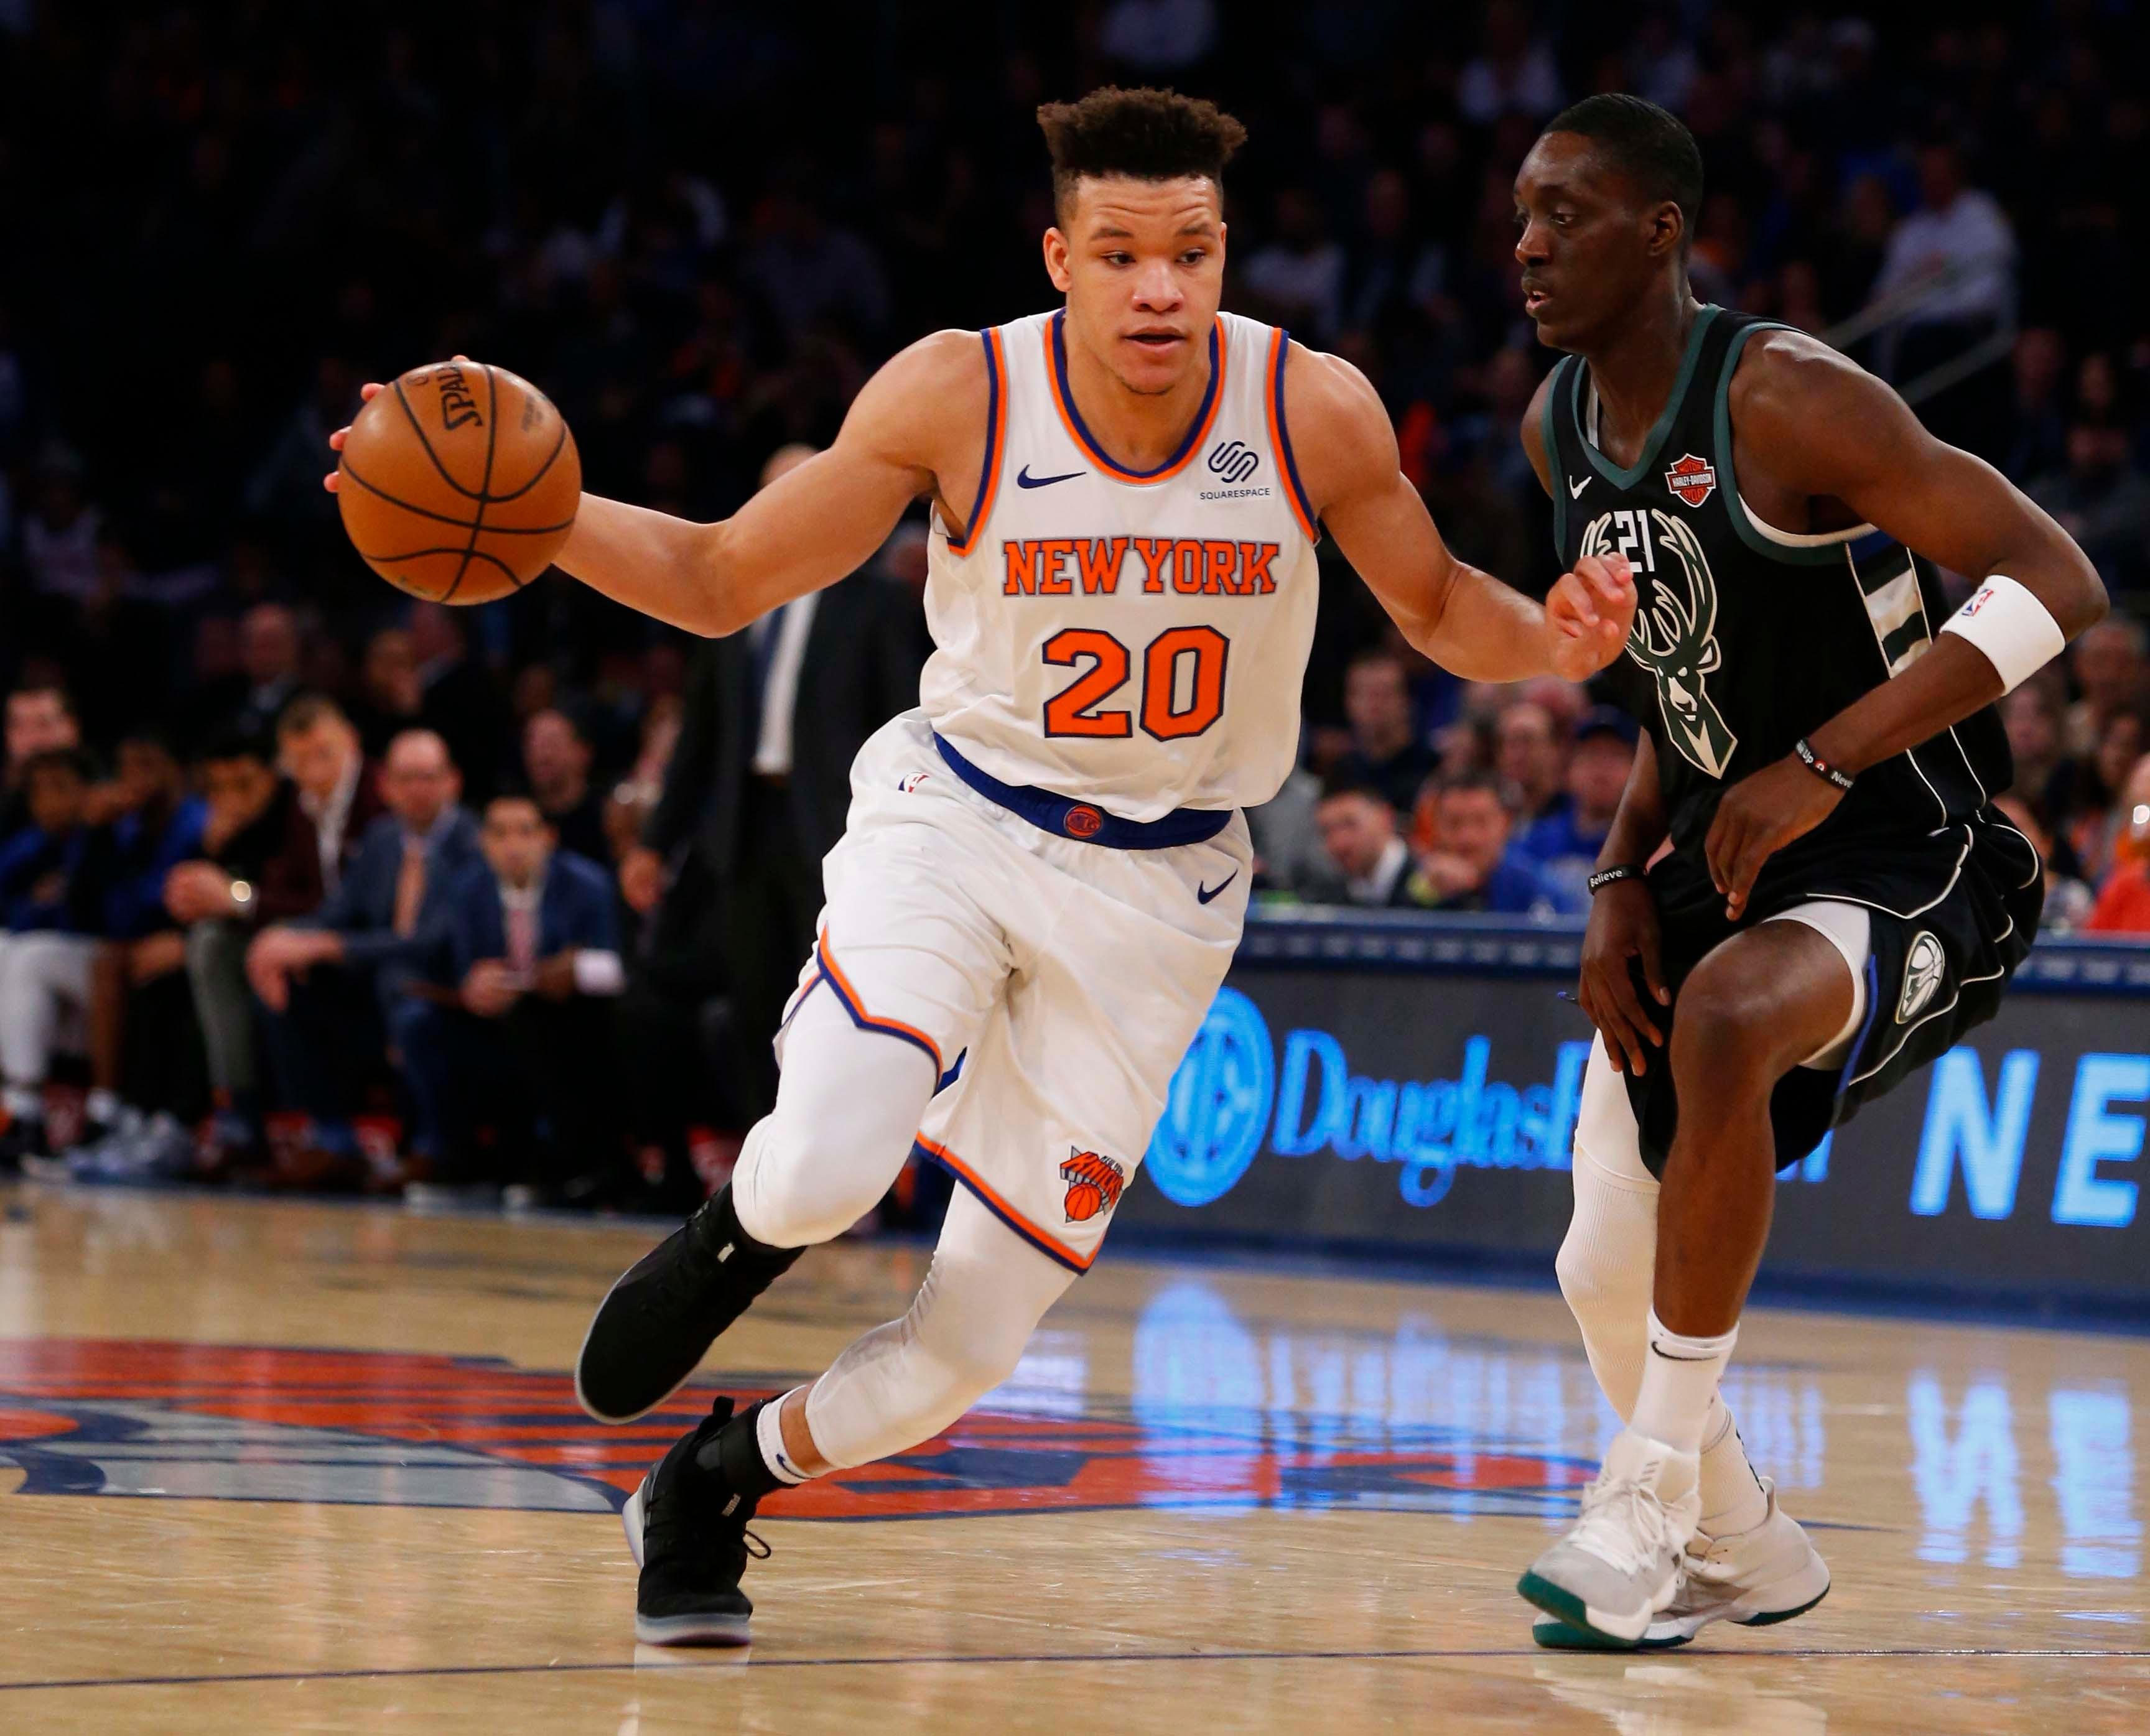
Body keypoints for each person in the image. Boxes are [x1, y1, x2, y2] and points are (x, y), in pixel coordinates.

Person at [328, 85, 1634, 1647]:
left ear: (1223, 257)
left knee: (958, 1357)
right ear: (1058, 256)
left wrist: (1545, 634)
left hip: (1160, 896)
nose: (1159, 287)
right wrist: (528, 516)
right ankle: (731, 1236)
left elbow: (1430, 604)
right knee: (827, 1157)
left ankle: (712, 1479)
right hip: (958, 818)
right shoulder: (961, 391)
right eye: (1120, 252)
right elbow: (721, 570)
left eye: (1191, 253)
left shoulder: (1310, 409)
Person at [1510, 94, 2103, 1649]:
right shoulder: (1548, 430)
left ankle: (1638, 1503)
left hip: (1906, 842)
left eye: (1565, 211)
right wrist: (1614, 872)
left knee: (1719, 1020)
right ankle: (1746, 1539)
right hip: (1714, 853)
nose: (1525, 241)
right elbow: (1671, 685)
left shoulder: (1783, 396)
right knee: (1592, 1262)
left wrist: (1824, 758)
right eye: (1518, 210)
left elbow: (2058, 579)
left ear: (1659, 233)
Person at [617, 443, 932, 1130]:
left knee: (835, 1007)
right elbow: (700, 736)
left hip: (841, 829)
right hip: (744, 822)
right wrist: (654, 842)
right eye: (771, 491)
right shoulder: (729, 598)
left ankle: (841, 1171)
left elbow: (907, 718)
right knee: (755, 1001)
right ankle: (768, 1177)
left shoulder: (876, 601)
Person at [245, 729, 480, 1182]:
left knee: (402, 987)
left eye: (430, 778)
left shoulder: (472, 842)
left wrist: (329, 945)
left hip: (446, 994)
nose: (418, 790)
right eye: (407, 779)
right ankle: (333, 1139)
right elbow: (338, 913)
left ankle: (435, 1148)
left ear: (453, 782)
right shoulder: (382, 837)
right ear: (386, 786)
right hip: (376, 992)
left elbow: (431, 942)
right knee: (290, 983)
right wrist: (282, 938)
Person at [398, 791, 624, 1204]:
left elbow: (619, 966)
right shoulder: (466, 887)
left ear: (548, 837)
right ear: (484, 842)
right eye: (500, 833)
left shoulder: (587, 884)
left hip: (566, 1020)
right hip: (489, 1020)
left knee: (538, 1022)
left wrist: (571, 970)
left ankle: (565, 1164)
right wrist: (469, 985)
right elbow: (432, 959)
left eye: (525, 831)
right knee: (417, 1022)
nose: (512, 845)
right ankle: (458, 1158)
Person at [165, 726, 327, 1169]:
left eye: (244, 784)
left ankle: (240, 1116)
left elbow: (316, 900)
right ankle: (199, 1117)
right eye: (219, 787)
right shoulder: (220, 827)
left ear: (273, 777)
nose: (231, 797)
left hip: (312, 947)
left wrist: (233, 894)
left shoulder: (300, 813)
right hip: (254, 945)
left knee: (211, 950)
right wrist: (217, 852)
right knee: (184, 960)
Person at [0, 750, 111, 1163]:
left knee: (30, 956)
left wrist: (50, 903)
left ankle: (28, 1107)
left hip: (115, 971)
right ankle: (19, 1112)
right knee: (5, 948)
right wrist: (37, 904)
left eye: (62, 789)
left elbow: (97, 915)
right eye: (40, 792)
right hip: (67, 979)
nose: (50, 802)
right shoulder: (42, 841)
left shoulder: (108, 832)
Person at [1519, 705, 1637, 910]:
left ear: (1637, 772)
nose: (1602, 770)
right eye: (1592, 756)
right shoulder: (1536, 841)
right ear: (1570, 770)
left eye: (1615, 757)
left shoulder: (1646, 847)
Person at [1415, 768, 1558, 915]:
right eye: (1454, 823)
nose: (1468, 838)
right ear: (1436, 827)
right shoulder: (1417, 882)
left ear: (1506, 824)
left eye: (1481, 822)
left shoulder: (1537, 890)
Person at [1313, 779, 1415, 906]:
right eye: (1326, 832)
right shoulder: (1326, 897)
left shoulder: (1435, 885)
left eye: (1350, 824)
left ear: (1386, 818)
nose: (1339, 843)